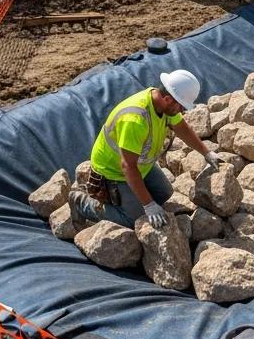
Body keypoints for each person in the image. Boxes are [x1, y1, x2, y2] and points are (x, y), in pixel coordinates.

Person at [70, 68, 221, 229]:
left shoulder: (162, 104)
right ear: (168, 99)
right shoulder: (135, 119)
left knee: (164, 194)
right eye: (182, 106)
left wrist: (207, 153)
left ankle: (135, 197)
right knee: (134, 219)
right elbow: (127, 166)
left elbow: (181, 127)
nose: (183, 110)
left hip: (141, 164)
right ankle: (81, 202)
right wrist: (148, 205)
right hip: (113, 171)